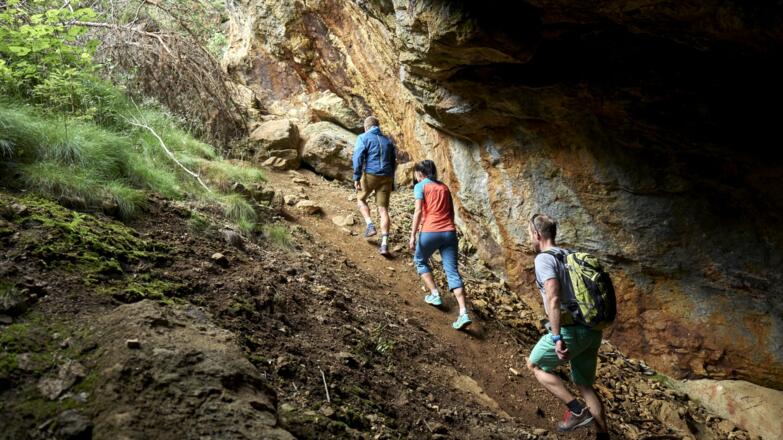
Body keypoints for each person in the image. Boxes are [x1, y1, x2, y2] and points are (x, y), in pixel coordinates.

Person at [526, 213, 610, 439]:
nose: (530, 238)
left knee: (535, 365)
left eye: (530, 234)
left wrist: (556, 338)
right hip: (592, 330)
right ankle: (603, 436)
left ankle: (576, 410)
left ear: (537, 234)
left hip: (571, 330)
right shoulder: (569, 254)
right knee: (585, 385)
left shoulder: (544, 259)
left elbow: (553, 298)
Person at [408, 160, 471, 330]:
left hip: (430, 230)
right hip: (449, 232)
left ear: (420, 173)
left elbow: (418, 211)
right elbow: (451, 212)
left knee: (420, 260)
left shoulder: (420, 186)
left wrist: (412, 235)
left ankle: (435, 294)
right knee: (452, 271)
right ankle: (463, 313)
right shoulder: (444, 187)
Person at [352, 116, 397, 255]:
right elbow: (393, 161)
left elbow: (358, 156)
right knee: (383, 210)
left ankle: (370, 225)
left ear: (366, 127)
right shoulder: (388, 141)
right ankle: (384, 244)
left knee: (361, 199)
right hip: (387, 176)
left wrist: (356, 177)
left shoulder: (363, 137)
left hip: (371, 174)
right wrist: (391, 180)